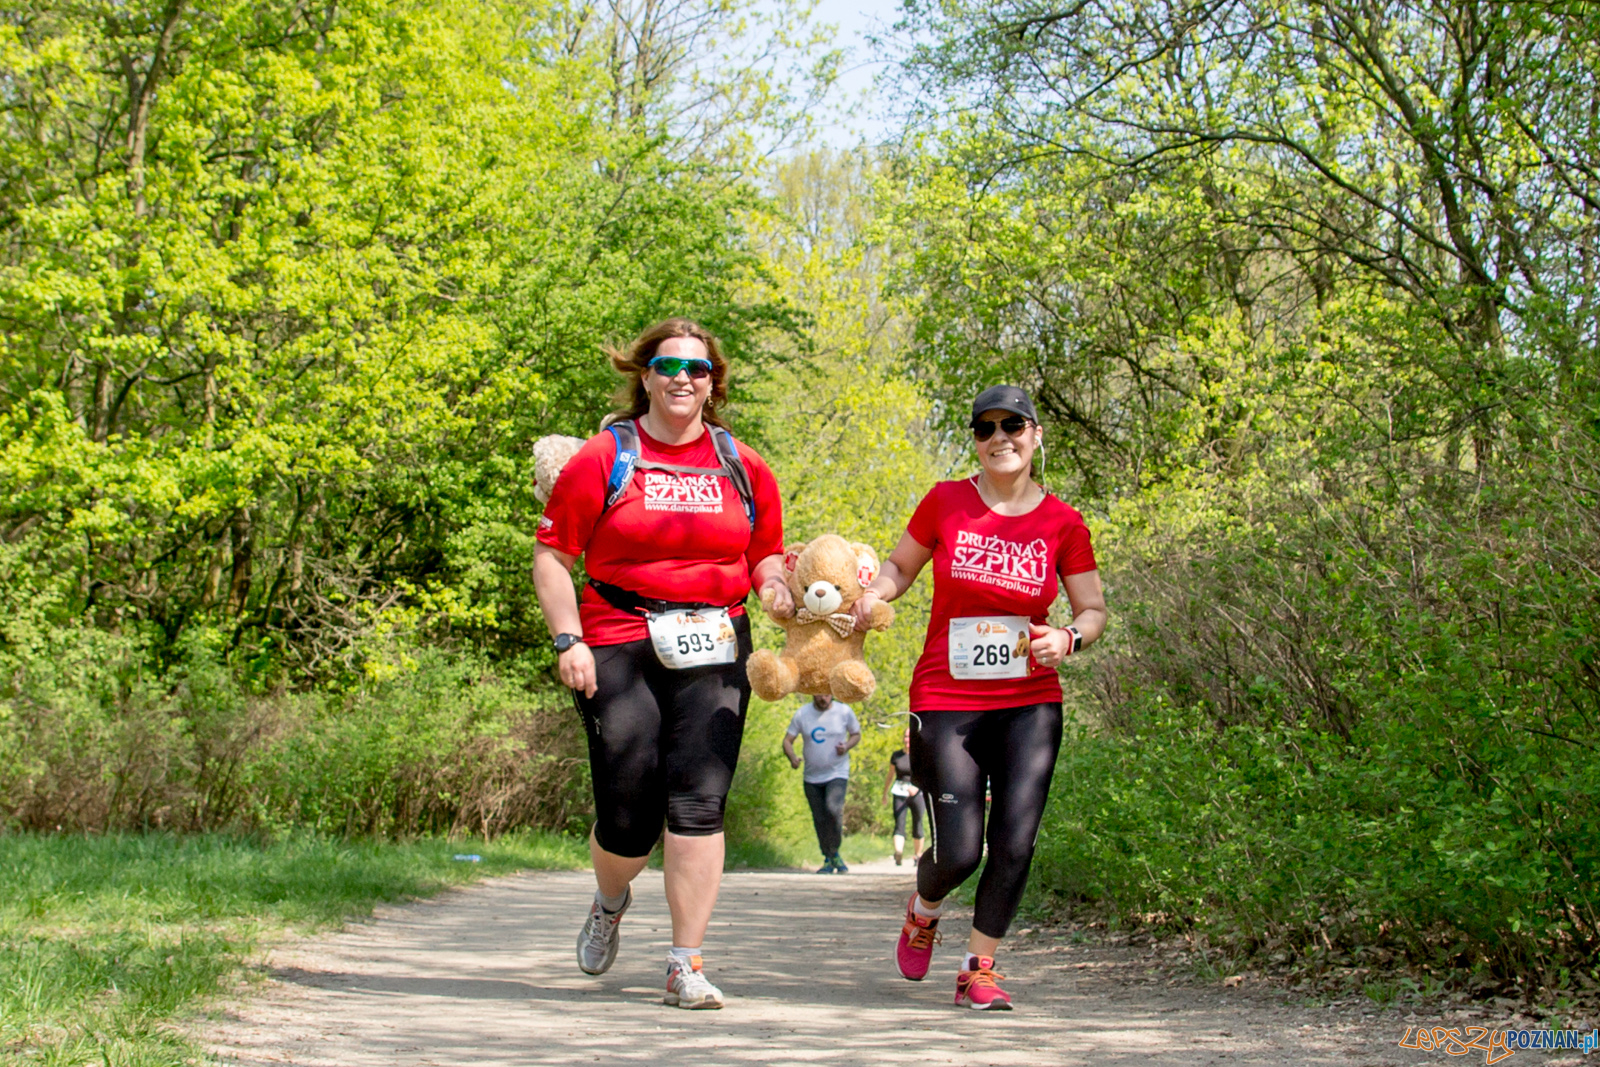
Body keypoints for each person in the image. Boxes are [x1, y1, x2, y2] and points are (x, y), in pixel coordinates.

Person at [533, 318, 790, 1010]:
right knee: (628, 814)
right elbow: (553, 558)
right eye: (669, 365)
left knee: (699, 802)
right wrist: (568, 639)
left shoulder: (743, 463)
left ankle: (685, 962)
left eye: (698, 369)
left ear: (715, 383)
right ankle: (611, 897)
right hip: (619, 638)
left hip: (715, 641)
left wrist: (773, 586)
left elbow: (765, 551)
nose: (683, 378)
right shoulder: (605, 455)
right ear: (644, 375)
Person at [852, 384, 1107, 1011]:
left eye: (1013, 426)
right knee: (960, 849)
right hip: (945, 698)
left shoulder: (1063, 522)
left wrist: (1069, 637)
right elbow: (898, 569)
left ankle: (978, 968)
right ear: (975, 439)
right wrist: (872, 596)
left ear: (1035, 435)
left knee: (1016, 841)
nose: (1000, 438)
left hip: (1030, 702)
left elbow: (1093, 608)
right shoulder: (945, 502)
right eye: (986, 428)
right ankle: (923, 907)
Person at [782, 694, 861, 873]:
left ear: (832, 694)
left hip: (837, 772)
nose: (824, 698)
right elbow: (787, 740)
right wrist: (792, 757)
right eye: (820, 694)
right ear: (813, 694)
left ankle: (834, 852)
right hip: (812, 777)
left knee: (833, 809)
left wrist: (847, 746)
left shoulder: (844, 711)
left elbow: (856, 734)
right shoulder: (803, 714)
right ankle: (828, 857)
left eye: (827, 694)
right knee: (819, 817)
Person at [881, 727, 924, 866]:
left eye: (909, 737)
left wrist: (916, 787)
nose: (907, 740)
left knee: (917, 823)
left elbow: (926, 775)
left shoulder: (919, 755)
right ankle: (898, 852)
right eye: (905, 737)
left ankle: (918, 855)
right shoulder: (896, 756)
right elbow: (890, 775)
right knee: (899, 822)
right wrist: (885, 793)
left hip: (917, 793)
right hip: (899, 791)